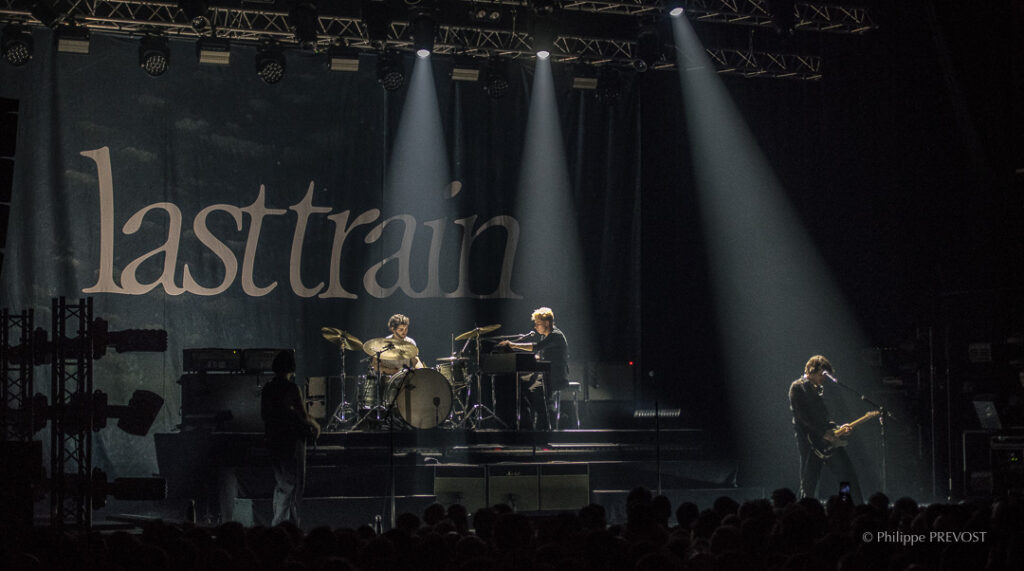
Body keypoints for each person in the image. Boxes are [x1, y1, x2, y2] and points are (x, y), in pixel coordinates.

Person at [788, 355, 864, 504]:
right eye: (822, 374)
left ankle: (847, 503)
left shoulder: (818, 389)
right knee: (809, 482)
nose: (824, 378)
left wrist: (838, 429)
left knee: (846, 475)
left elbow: (823, 418)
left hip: (827, 441)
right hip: (810, 442)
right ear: (812, 370)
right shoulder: (798, 387)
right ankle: (806, 509)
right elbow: (802, 417)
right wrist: (822, 433)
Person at [261, 350, 320, 527]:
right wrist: (316, 425)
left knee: (282, 483)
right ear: (292, 368)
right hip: (290, 441)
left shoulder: (268, 388)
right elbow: (304, 415)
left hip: (272, 440)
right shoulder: (292, 388)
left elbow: (264, 415)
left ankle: (284, 524)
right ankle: (282, 526)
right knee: (292, 485)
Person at [499, 307, 569, 430]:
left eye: (538, 324)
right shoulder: (546, 336)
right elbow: (543, 354)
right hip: (547, 374)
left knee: (531, 388)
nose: (535, 327)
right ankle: (533, 421)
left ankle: (548, 420)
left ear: (547, 323)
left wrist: (513, 345)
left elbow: (537, 347)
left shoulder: (555, 335)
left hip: (556, 376)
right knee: (521, 384)